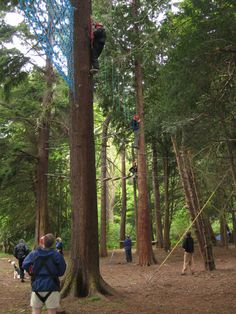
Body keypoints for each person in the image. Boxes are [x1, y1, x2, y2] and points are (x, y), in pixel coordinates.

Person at [23, 233, 66, 314]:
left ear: (42, 242)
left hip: (37, 286)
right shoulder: (57, 255)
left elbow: (25, 264)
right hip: (52, 286)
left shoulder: (34, 253)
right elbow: (62, 270)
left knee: (35, 311)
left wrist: (31, 272)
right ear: (54, 243)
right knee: (52, 312)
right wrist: (55, 273)